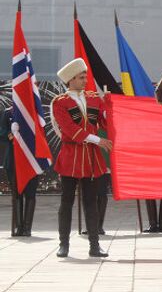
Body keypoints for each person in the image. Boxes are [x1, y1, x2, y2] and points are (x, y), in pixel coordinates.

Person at [51, 58, 111, 258]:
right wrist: (97, 140)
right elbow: (69, 129)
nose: (85, 80)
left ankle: (95, 246)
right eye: (81, 77)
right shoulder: (60, 102)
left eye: (85, 76)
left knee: (91, 202)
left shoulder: (94, 98)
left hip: (91, 158)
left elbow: (103, 123)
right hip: (71, 156)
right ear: (70, 80)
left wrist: (109, 106)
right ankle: (63, 245)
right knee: (66, 202)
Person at [1, 106, 39, 237]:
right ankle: (18, 227)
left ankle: (27, 228)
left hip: (32, 159)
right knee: (17, 194)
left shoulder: (35, 111)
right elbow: (2, 131)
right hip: (14, 159)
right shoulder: (8, 112)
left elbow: (40, 132)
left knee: (30, 193)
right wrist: (13, 137)